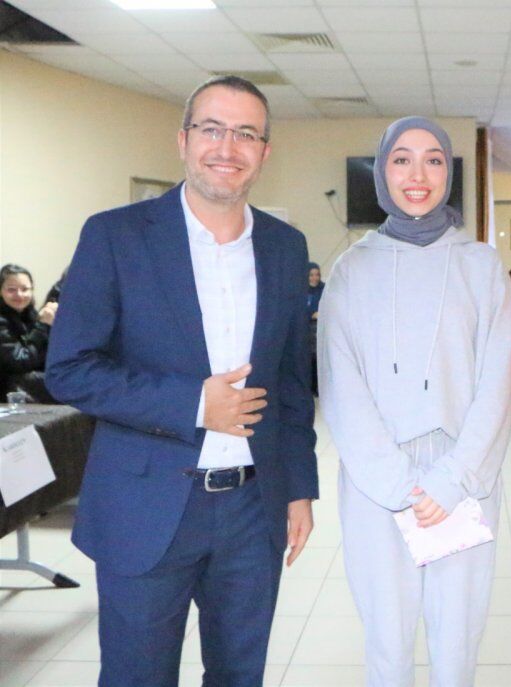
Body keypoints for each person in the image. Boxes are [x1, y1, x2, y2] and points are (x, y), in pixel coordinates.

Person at [45, 75, 319, 687]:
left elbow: (291, 383)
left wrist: (299, 487)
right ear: (183, 139)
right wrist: (194, 404)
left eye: (246, 133)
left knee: (239, 676)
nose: (228, 146)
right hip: (144, 505)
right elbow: (70, 368)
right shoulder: (114, 235)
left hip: (253, 508)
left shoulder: (284, 247)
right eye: (212, 129)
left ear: (265, 151)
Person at [318, 116, 511, 687]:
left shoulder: (481, 266)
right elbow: (340, 384)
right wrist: (397, 483)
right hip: (378, 482)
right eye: (401, 159)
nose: (417, 175)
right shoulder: (351, 269)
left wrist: (452, 479)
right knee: (387, 645)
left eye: (433, 160)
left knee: (456, 648)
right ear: (382, 172)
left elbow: (496, 383)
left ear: (449, 173)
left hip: (464, 479)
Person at [0, 263, 58, 403]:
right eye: (11, 289)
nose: (19, 294)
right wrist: (43, 326)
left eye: (25, 289)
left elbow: (47, 357)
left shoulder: (31, 314)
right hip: (7, 387)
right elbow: (19, 361)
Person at [306, 261, 324, 395]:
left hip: (321, 328)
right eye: (311, 275)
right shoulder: (301, 290)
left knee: (320, 358)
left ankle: (319, 387)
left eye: (317, 275)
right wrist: (311, 314)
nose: (315, 278)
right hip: (306, 329)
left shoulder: (324, 289)